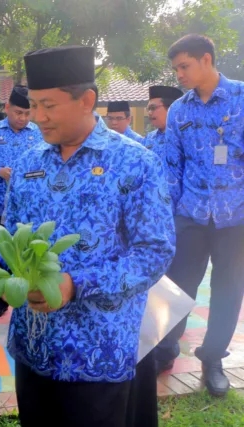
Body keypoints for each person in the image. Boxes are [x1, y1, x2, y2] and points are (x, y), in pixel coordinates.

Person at [0, 46, 175, 426]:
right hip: (34, 347)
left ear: (86, 101)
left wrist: (76, 284)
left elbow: (153, 252)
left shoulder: (135, 162)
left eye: (48, 105)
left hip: (99, 352)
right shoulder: (28, 163)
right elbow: (10, 237)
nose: (37, 117)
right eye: (33, 106)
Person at [154, 34, 244, 397]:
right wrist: (167, 218)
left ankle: (212, 358)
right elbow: (171, 168)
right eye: (175, 68)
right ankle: (163, 348)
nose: (179, 74)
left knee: (228, 290)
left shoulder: (241, 98)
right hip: (189, 215)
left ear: (206, 60)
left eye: (184, 66)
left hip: (235, 217)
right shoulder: (179, 110)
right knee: (176, 287)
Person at [0, 85, 42, 318]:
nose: (22, 118)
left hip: (28, 208)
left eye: (27, 113)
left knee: (23, 253)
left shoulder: (39, 134)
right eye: (17, 113)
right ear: (6, 108)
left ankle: (20, 294)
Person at [142, 85, 184, 160]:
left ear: (170, 109)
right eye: (148, 109)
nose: (150, 113)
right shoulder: (149, 138)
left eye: (153, 108)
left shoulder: (184, 136)